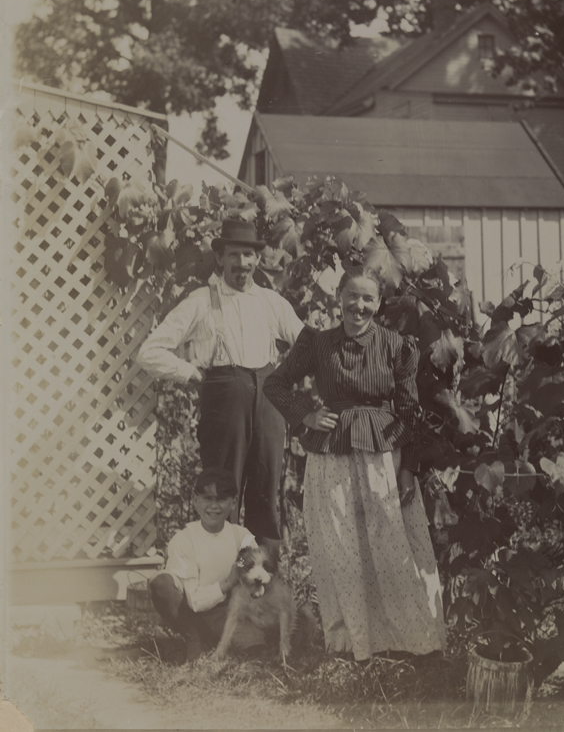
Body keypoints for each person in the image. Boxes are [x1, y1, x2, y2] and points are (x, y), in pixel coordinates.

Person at [264, 265, 447, 662]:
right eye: (352, 296)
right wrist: (305, 415)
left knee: (393, 548)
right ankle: (352, 645)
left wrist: (408, 468)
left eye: (368, 298)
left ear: (379, 303)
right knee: (342, 550)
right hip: (331, 458)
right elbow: (275, 384)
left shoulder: (397, 346)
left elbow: (412, 412)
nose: (358, 306)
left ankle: (411, 643)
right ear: (339, 298)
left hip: (384, 457)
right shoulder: (316, 343)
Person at [138, 219, 305, 543]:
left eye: (247, 255)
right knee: (221, 494)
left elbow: (309, 346)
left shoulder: (271, 302)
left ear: (257, 259)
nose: (241, 263)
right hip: (224, 409)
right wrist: (190, 373)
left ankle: (262, 582)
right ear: (220, 258)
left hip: (269, 407)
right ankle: (218, 581)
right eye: (234, 255)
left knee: (266, 494)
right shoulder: (201, 300)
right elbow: (149, 352)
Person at [149, 467, 265, 661]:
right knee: (161, 582)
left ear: (234, 502)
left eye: (221, 499)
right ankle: (193, 637)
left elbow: (249, 565)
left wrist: (255, 583)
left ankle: (218, 639)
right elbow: (194, 601)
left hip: (230, 611)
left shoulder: (242, 537)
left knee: (257, 647)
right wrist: (228, 582)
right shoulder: (184, 539)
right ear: (195, 501)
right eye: (207, 498)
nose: (214, 506)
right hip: (195, 614)